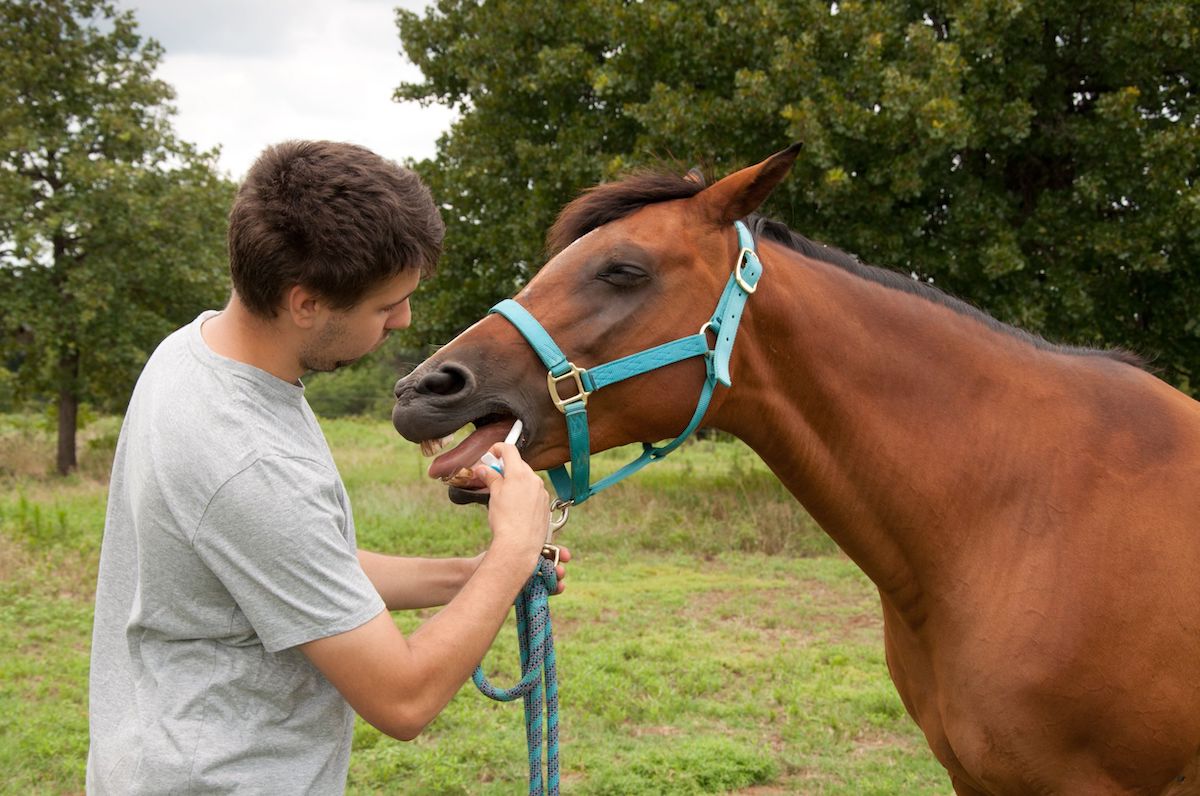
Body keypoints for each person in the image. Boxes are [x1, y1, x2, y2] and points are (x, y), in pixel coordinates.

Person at [86, 140, 567, 794]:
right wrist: (513, 549)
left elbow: (303, 564)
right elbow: (402, 699)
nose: (405, 320)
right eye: (384, 306)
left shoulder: (195, 354)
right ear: (304, 303)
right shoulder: (246, 456)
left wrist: (478, 575)